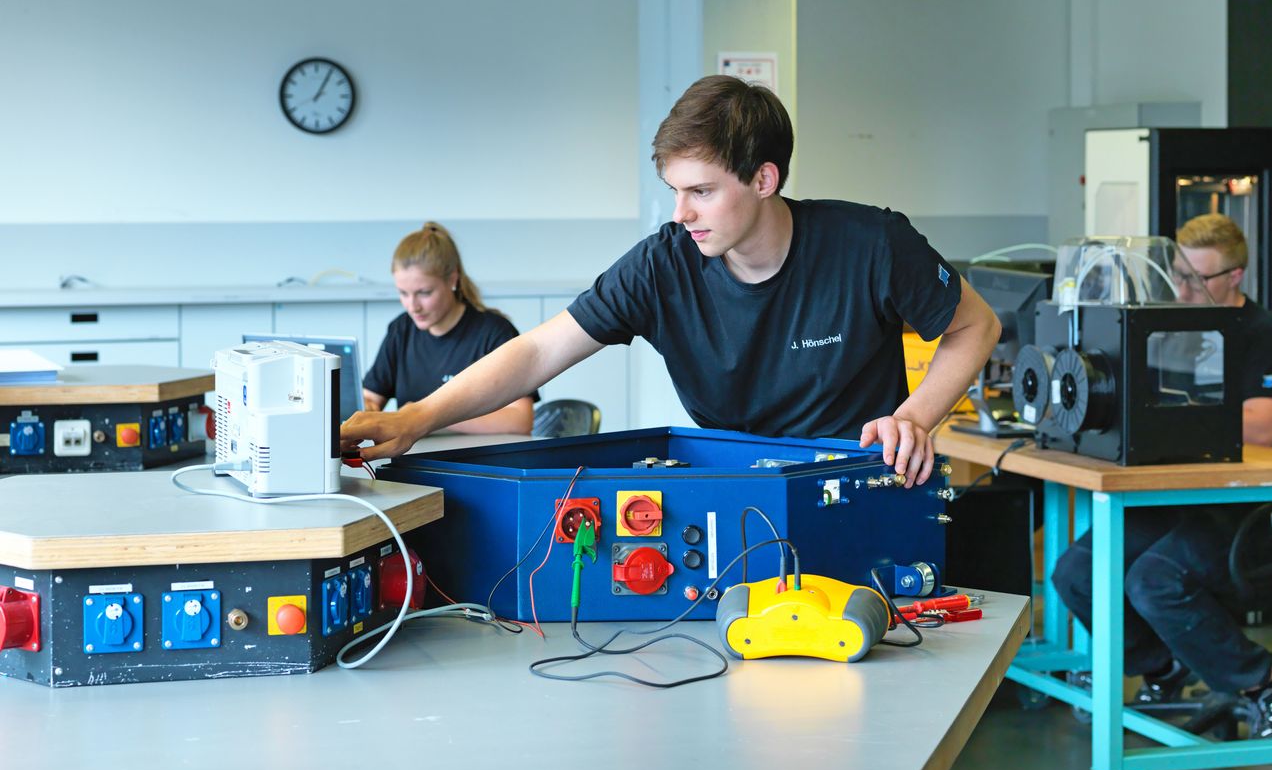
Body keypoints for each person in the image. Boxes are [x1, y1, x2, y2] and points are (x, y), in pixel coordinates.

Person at [343, 75, 1000, 484]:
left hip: (855, 482)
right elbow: (540, 351)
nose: (682, 214)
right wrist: (418, 417)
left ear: (764, 179)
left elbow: (977, 324)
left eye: (702, 192)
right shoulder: (663, 264)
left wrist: (915, 416)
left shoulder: (870, 244)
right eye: (674, 192)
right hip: (729, 485)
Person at [1051, 213, 1272, 738]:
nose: (1183, 290)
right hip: (1176, 493)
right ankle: (1162, 665)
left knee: (1154, 579)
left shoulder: (1266, 337)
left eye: (1197, 280)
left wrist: (1168, 415)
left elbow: (1260, 428)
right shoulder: (1174, 329)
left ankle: (1264, 677)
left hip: (1243, 504)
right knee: (1077, 572)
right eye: (1178, 276)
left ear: (1234, 277)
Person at [362, 222, 537, 434]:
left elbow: (519, 421)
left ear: (452, 279)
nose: (413, 306)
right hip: (413, 459)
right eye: (403, 293)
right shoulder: (401, 330)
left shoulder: (494, 333)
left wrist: (426, 415)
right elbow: (371, 397)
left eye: (424, 293)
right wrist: (365, 408)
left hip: (475, 462)